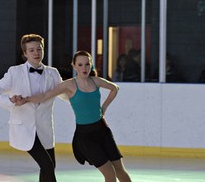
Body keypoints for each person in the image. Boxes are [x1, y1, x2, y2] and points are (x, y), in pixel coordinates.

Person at [16, 50, 132, 182]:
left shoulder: (96, 81)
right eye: (80, 65)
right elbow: (45, 96)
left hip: (103, 131)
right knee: (109, 174)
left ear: (91, 65)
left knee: (120, 171)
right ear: (74, 66)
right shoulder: (69, 85)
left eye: (87, 64)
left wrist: (104, 107)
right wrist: (25, 99)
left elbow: (114, 88)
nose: (84, 68)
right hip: (85, 137)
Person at [0, 34, 64, 182]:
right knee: (47, 165)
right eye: (32, 50)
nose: (36, 53)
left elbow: (64, 94)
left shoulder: (53, 73)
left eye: (39, 49)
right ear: (25, 53)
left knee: (49, 166)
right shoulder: (15, 72)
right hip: (23, 128)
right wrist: (11, 101)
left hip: (44, 128)